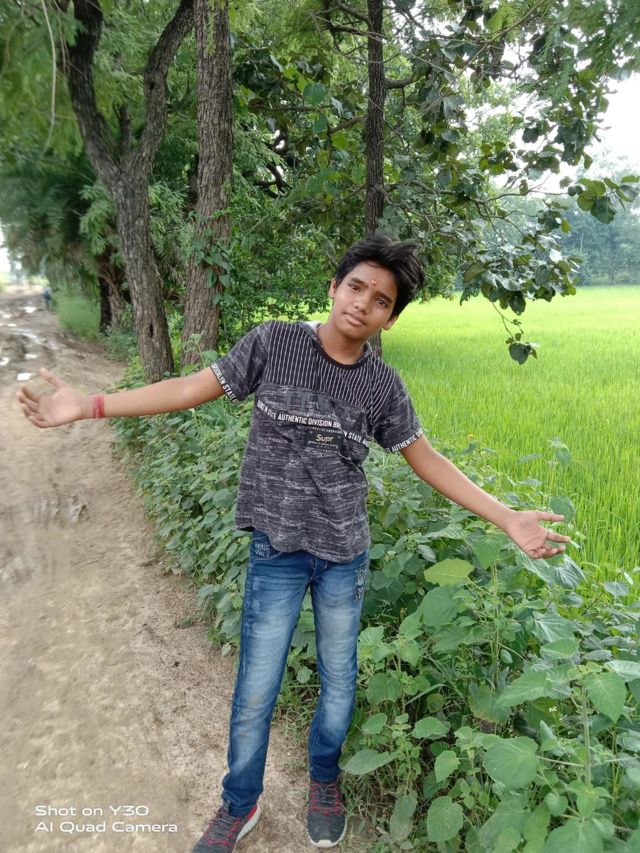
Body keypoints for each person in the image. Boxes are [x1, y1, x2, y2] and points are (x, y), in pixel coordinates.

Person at [17, 236, 569, 852]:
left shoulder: (382, 386)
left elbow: (426, 458)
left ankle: (324, 780)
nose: (363, 303)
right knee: (256, 689)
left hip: (343, 556)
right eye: (355, 286)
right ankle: (239, 803)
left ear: (389, 318)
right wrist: (90, 405)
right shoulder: (274, 344)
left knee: (339, 682)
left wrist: (506, 517)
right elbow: (186, 388)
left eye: (381, 300)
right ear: (333, 288)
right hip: (275, 551)